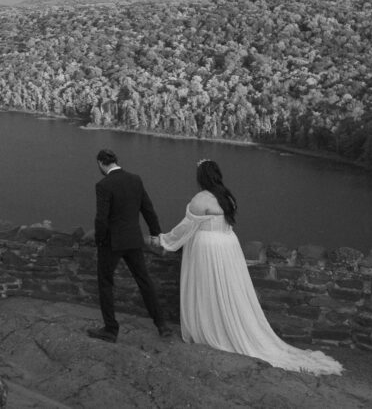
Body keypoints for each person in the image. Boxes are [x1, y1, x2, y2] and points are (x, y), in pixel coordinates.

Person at [158, 159, 342, 375]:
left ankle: (212, 329)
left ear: (201, 177)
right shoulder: (227, 196)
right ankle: (227, 325)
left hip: (209, 247)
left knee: (208, 287)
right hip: (228, 245)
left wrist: (164, 241)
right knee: (230, 289)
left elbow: (185, 228)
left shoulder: (201, 199)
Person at [87, 149, 172, 343]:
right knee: (144, 281)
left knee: (106, 283)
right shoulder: (135, 179)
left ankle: (110, 329)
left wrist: (100, 240)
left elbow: (101, 218)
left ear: (101, 163)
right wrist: (156, 234)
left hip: (112, 243)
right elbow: (148, 209)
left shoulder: (103, 185)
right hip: (134, 240)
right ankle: (162, 325)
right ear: (116, 161)